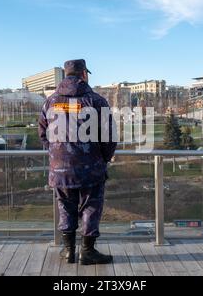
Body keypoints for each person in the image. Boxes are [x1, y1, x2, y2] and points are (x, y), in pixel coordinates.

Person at [39, 59, 117, 265]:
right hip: (91, 169)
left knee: (65, 207)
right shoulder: (97, 101)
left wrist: (57, 154)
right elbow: (109, 137)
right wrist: (103, 159)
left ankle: (68, 252)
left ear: (66, 75)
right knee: (90, 207)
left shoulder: (50, 102)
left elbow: (42, 133)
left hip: (60, 170)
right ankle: (87, 252)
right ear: (84, 74)